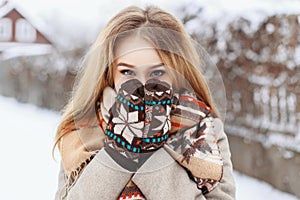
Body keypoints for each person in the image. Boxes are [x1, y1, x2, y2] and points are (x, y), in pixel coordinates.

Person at [53, 5, 236, 200]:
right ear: (109, 74)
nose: (141, 86)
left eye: (157, 72)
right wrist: (122, 149)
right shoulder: (83, 131)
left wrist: (151, 152)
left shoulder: (204, 131)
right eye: (127, 72)